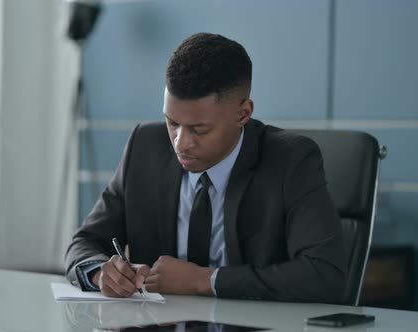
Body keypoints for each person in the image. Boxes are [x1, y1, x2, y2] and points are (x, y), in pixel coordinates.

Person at [65, 32, 345, 303]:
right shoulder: (144, 147)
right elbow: (86, 241)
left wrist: (205, 280)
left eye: (199, 129)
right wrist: (101, 272)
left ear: (243, 113)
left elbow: (324, 275)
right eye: (172, 123)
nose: (180, 143)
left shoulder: (291, 160)